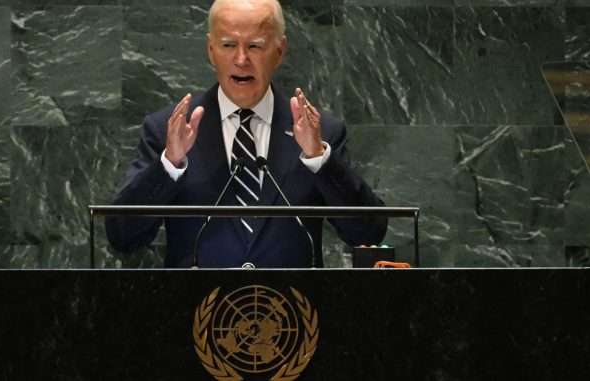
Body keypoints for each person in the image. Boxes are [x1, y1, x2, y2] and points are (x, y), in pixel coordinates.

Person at [105, 0, 387, 268]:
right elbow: (123, 237)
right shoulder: (167, 129)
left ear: (280, 50)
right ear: (211, 50)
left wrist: (319, 159)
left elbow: (368, 233)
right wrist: (169, 164)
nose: (241, 59)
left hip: (291, 313)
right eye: (228, 45)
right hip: (194, 312)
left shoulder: (321, 132)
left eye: (255, 46)